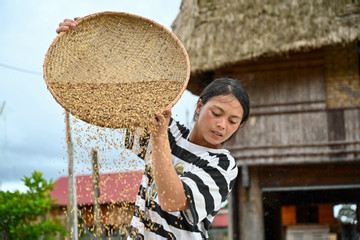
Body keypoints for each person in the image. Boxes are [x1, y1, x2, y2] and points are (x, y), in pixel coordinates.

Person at [57, 18, 250, 239]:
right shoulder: (171, 132)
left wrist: (159, 138)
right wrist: (85, 44)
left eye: (233, 121)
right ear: (199, 105)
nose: (221, 124)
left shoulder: (223, 165)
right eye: (216, 113)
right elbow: (114, 98)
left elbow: (171, 200)